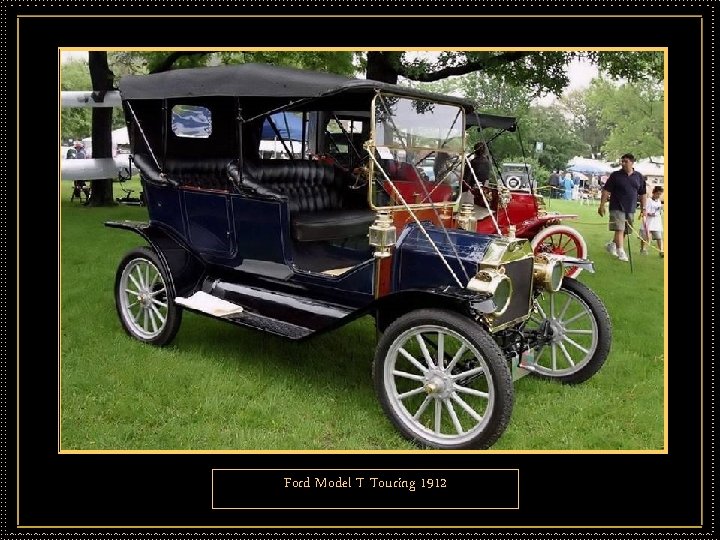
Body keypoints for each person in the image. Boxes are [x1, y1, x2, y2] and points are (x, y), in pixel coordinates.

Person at [598, 153, 647, 262]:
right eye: (622, 161)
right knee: (619, 228)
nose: (623, 163)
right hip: (616, 206)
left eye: (626, 161)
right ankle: (621, 251)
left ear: (632, 162)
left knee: (625, 230)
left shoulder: (639, 176)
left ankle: (612, 245)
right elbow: (606, 190)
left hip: (631, 207)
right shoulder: (615, 175)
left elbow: (643, 193)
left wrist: (644, 209)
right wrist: (602, 205)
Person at [640, 185, 664, 257]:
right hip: (648, 222)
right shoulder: (648, 200)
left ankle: (661, 251)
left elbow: (659, 211)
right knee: (645, 236)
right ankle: (643, 249)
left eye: (660, 194)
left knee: (659, 237)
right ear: (654, 193)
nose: (658, 195)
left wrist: (659, 211)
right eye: (657, 194)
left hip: (656, 223)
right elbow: (645, 211)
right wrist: (650, 213)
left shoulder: (659, 201)